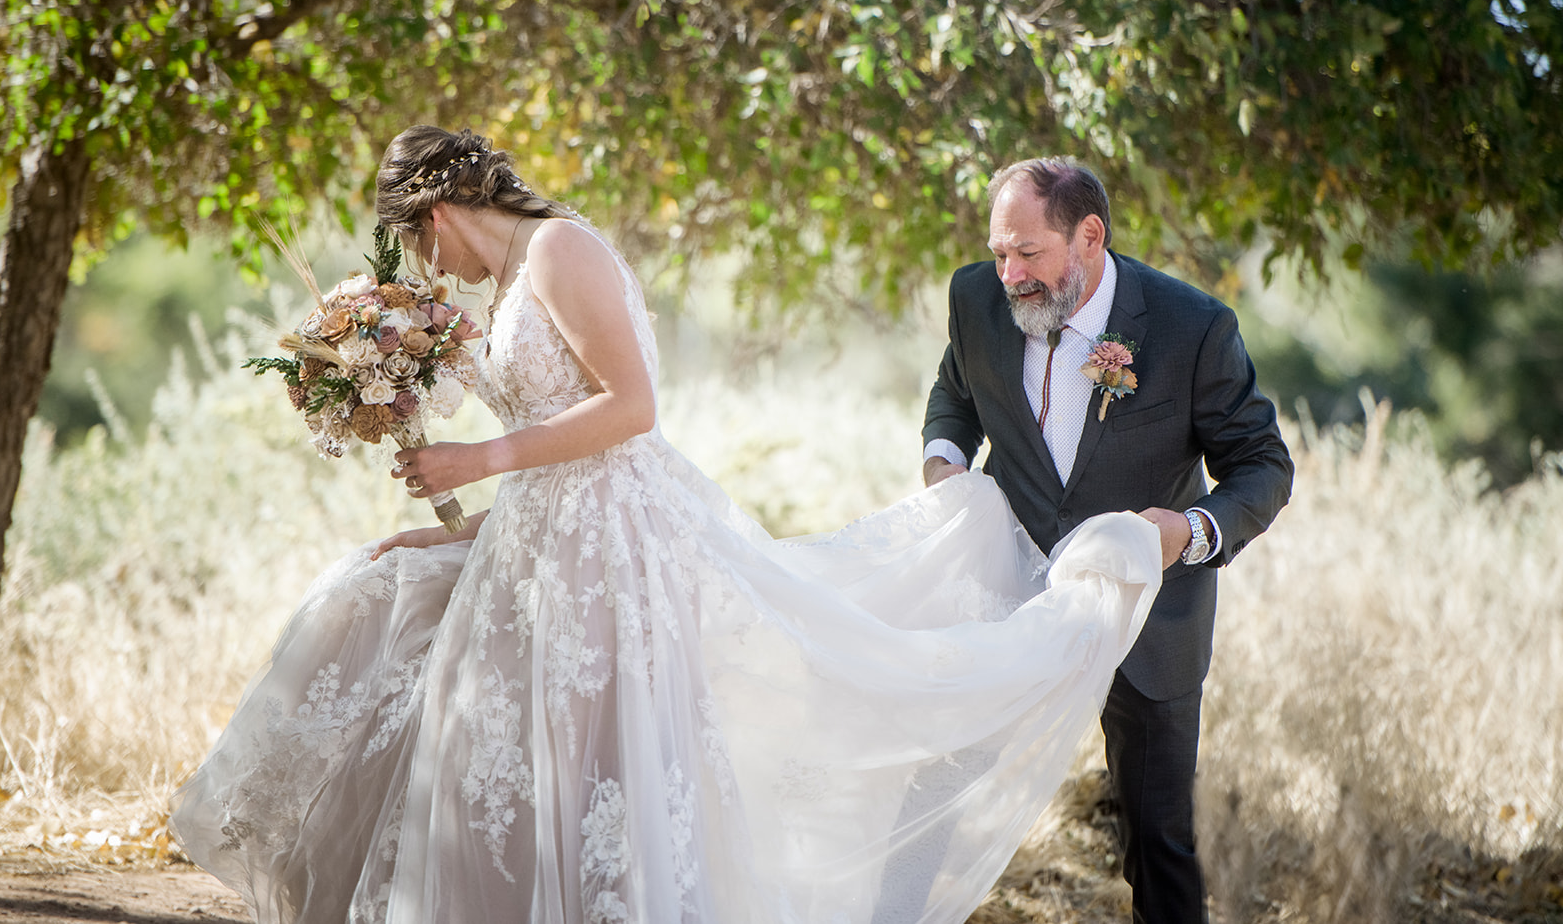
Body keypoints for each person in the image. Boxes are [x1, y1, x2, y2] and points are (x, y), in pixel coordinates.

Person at [170, 127, 1166, 924]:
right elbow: (554, 444)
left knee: (589, 768)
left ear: (433, 213)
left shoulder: (559, 248)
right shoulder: (510, 280)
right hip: (539, 538)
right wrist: (462, 526)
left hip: (609, 549)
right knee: (394, 612)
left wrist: (477, 458)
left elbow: (630, 409)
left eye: (422, 245)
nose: (434, 267)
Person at [922, 156, 1294, 923]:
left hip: (1147, 613)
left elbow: (1263, 463)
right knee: (932, 786)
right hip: (1008, 587)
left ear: (1089, 237)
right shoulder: (975, 298)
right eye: (999, 251)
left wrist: (1191, 531)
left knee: (1157, 838)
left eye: (1028, 252)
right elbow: (956, 393)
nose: (1008, 274)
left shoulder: (1194, 328)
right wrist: (943, 462)